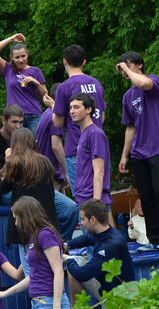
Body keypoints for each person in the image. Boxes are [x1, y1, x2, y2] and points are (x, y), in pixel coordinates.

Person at [117, 51, 159, 252]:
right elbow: (130, 127)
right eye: (122, 67)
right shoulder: (128, 96)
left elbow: (143, 84)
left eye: (128, 65)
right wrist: (124, 155)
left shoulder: (155, 82)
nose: (124, 71)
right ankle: (155, 240)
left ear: (138, 65)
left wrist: (126, 68)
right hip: (139, 153)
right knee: (146, 197)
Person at [64, 199, 134, 309]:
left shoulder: (111, 244)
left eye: (83, 220)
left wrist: (67, 259)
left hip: (119, 303)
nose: (81, 223)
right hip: (106, 292)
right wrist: (68, 245)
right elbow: (87, 238)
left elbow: (83, 274)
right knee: (76, 266)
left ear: (93, 219)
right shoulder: (101, 232)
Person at [0, 128, 59, 277]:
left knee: (30, 271)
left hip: (23, 222)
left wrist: (7, 161)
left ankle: (37, 299)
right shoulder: (45, 162)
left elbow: (3, 188)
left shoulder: (15, 163)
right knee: (50, 268)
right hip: (46, 220)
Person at [44, 45, 106, 186]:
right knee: (100, 192)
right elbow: (102, 116)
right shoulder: (96, 84)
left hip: (76, 148)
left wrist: (53, 106)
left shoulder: (64, 87)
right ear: (84, 62)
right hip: (98, 147)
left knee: (82, 197)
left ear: (64, 61)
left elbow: (58, 123)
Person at [0, 33, 47, 134]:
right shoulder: (8, 70)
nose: (20, 60)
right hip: (14, 116)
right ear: (12, 58)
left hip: (34, 114)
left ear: (27, 55)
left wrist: (36, 83)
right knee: (18, 146)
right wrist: (11, 39)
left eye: (23, 56)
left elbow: (45, 95)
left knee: (34, 146)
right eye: (17, 57)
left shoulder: (35, 71)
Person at [68, 94, 113, 210]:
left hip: (91, 202)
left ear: (88, 109)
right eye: (71, 107)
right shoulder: (84, 134)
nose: (72, 111)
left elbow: (99, 172)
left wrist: (95, 205)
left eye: (76, 107)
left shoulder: (95, 133)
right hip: (83, 199)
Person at [0, 105, 24, 207]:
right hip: (1, 190)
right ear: (3, 120)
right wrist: (8, 163)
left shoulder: (22, 139)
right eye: (14, 122)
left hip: (22, 186)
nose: (18, 126)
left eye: (21, 122)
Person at [36, 83, 68, 191]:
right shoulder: (55, 116)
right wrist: (67, 172)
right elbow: (56, 146)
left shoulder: (46, 113)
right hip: (52, 174)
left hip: (44, 171)